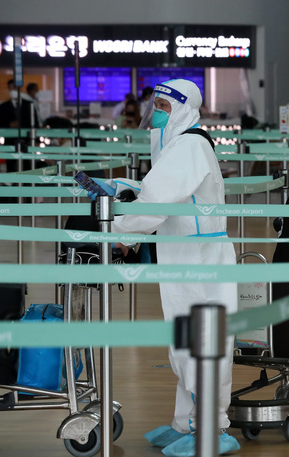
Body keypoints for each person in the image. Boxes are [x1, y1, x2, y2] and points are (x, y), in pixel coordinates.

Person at [96, 79, 240, 456]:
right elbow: (157, 192)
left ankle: (212, 427)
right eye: (154, 104)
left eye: (163, 105)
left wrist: (118, 230)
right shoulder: (177, 145)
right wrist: (119, 188)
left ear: (183, 108)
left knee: (203, 345)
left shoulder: (190, 145)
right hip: (181, 253)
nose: (156, 111)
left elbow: (156, 201)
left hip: (200, 259)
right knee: (184, 343)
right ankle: (186, 422)